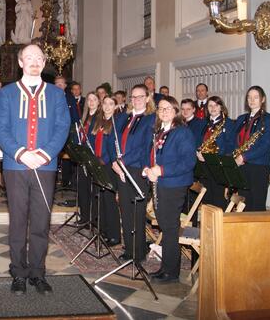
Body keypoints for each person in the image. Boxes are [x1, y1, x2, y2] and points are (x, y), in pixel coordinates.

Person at [0, 44, 70, 295]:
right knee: (17, 222)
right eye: (29, 58)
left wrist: (45, 154)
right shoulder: (7, 93)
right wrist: (21, 154)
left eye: (39, 57)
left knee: (40, 222)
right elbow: (1, 130)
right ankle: (18, 272)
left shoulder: (56, 94)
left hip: (45, 166)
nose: (34, 62)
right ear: (20, 63)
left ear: (45, 61)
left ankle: (37, 273)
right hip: (15, 166)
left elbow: (62, 127)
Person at [143, 96, 196, 283]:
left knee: (171, 227)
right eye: (160, 109)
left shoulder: (182, 132)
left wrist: (161, 170)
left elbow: (188, 162)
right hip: (160, 183)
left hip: (174, 185)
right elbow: (156, 156)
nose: (163, 112)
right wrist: (149, 168)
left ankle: (171, 272)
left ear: (176, 112)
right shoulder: (160, 131)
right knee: (165, 226)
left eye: (168, 109)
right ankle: (165, 267)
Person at [110, 84, 156, 262]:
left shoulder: (150, 119)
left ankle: (138, 252)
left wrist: (123, 163)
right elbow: (114, 140)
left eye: (140, 96)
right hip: (121, 168)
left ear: (147, 98)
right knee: (126, 210)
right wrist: (115, 161)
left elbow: (144, 148)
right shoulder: (125, 117)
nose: (136, 100)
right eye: (133, 97)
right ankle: (129, 249)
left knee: (137, 212)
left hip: (137, 170)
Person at [232, 86, 270, 211]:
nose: (252, 100)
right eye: (249, 97)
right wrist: (235, 156)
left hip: (258, 167)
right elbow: (234, 140)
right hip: (241, 166)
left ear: (262, 99)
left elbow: (266, 146)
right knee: (243, 204)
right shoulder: (241, 119)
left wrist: (244, 157)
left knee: (257, 206)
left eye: (256, 97)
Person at [84, 96, 121, 245]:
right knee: (101, 199)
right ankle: (104, 231)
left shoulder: (116, 122)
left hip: (109, 165)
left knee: (110, 201)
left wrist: (104, 160)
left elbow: (113, 146)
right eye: (105, 103)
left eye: (111, 104)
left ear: (115, 106)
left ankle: (114, 235)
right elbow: (92, 141)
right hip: (97, 163)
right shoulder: (98, 121)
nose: (107, 106)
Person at [195, 96, 235, 209]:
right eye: (210, 105)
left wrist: (212, 156)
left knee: (218, 199)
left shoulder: (228, 123)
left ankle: (218, 225)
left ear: (221, 107)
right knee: (206, 198)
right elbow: (200, 141)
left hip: (219, 166)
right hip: (204, 166)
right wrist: (198, 152)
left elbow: (230, 146)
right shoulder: (205, 123)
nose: (213, 108)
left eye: (216, 105)